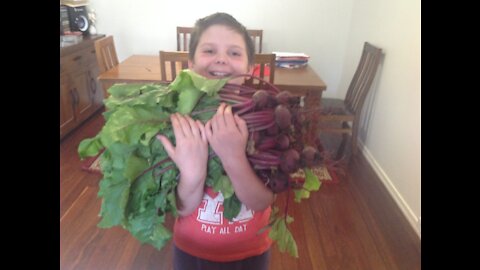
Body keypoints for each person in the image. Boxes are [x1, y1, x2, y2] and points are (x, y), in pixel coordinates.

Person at [156, 12, 274, 270]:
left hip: (250, 251)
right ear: (190, 62)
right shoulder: (174, 120)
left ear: (250, 69)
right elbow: (182, 209)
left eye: (234, 53)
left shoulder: (264, 120)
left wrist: (233, 157)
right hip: (190, 250)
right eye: (209, 50)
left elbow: (262, 201)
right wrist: (192, 172)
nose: (221, 59)